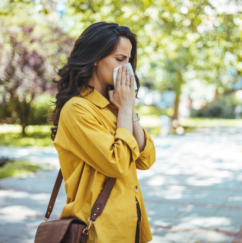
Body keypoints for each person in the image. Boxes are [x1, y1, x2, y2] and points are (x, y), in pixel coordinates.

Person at [49, 21, 156, 243]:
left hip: (130, 223)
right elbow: (116, 163)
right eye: (119, 59)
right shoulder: (77, 109)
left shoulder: (115, 106)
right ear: (96, 57)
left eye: (128, 61)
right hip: (98, 229)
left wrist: (129, 110)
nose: (126, 69)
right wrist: (125, 110)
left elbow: (146, 160)